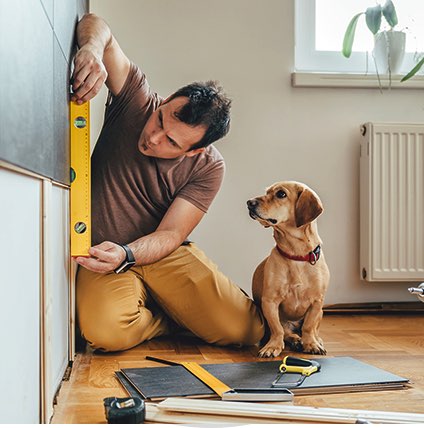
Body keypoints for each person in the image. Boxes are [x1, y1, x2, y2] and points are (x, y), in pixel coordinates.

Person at [71, 13, 264, 352]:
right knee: (106, 334)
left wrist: (129, 253)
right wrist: (91, 47)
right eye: (161, 119)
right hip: (101, 253)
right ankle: (170, 317)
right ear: (165, 102)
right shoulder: (136, 101)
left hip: (159, 252)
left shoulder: (209, 167)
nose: (153, 138)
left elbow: (172, 234)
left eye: (172, 142)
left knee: (246, 331)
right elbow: (96, 24)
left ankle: (178, 309)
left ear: (194, 151)